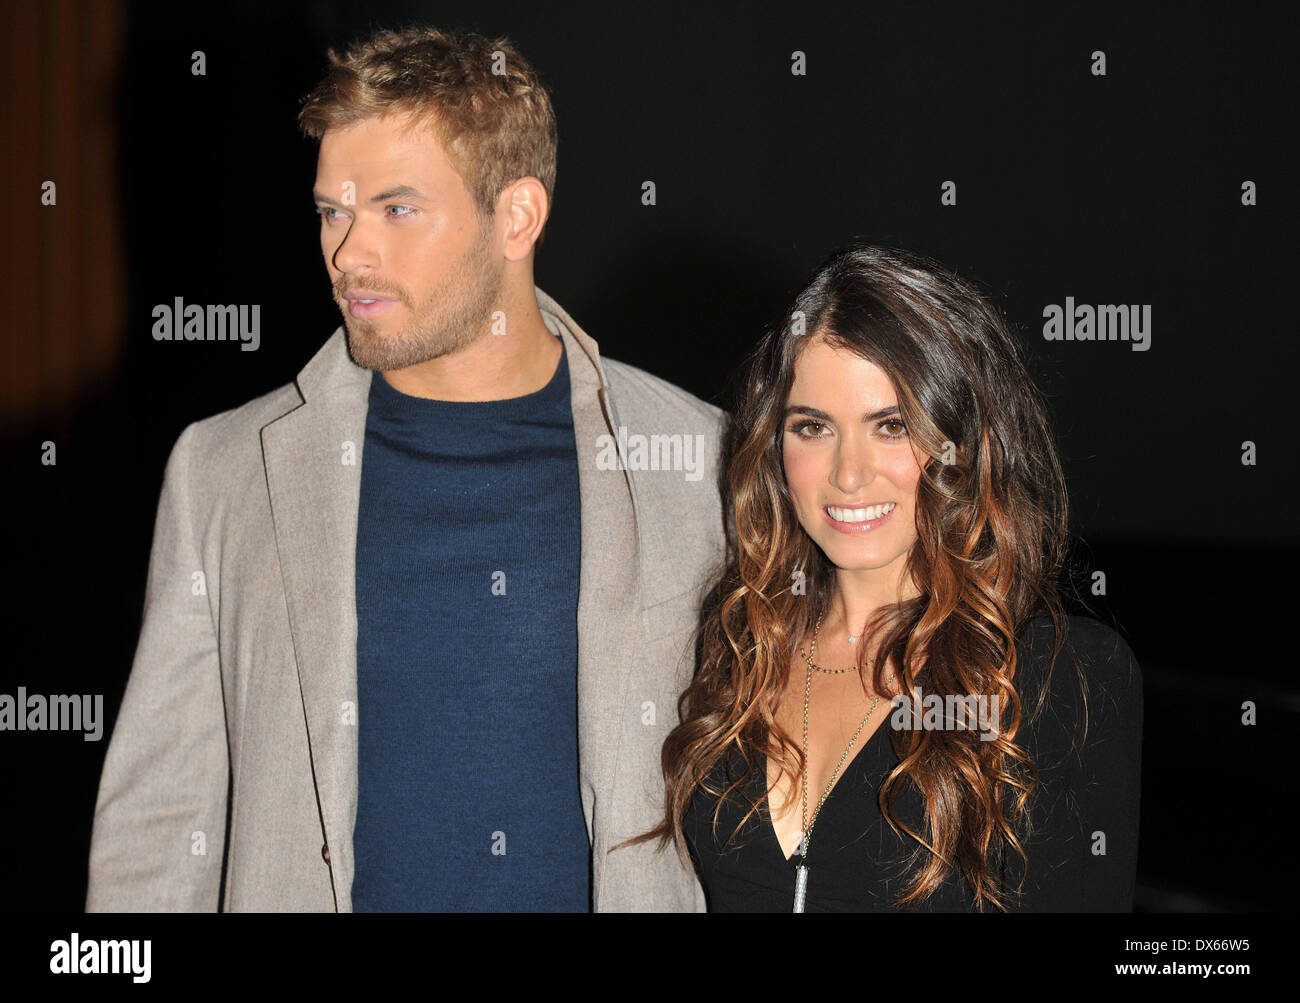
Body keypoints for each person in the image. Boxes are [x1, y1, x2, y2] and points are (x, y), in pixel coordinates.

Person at [86, 25, 725, 912]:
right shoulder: (225, 472)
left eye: (396, 210)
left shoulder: (697, 460)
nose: (349, 254)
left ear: (517, 217)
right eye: (332, 212)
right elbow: (157, 823)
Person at [623, 244, 1142, 911]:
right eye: (812, 427)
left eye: (891, 426)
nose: (848, 473)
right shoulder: (738, 643)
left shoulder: (1057, 676)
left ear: (964, 441)